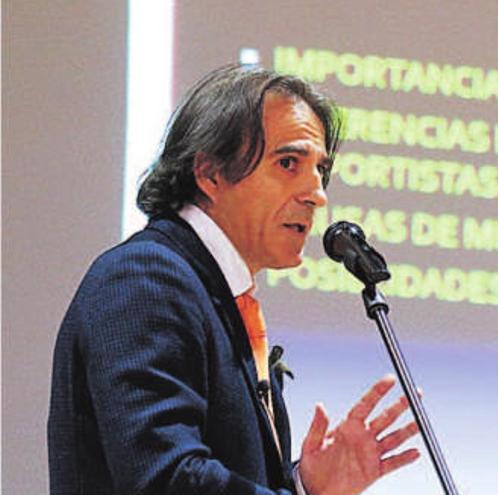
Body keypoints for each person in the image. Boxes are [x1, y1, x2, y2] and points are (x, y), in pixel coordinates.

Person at [48, 64, 420, 495]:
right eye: (288, 162)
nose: (316, 193)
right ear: (209, 173)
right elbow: (166, 479)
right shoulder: (145, 280)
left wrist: (304, 487)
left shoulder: (215, 293)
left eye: (320, 169)